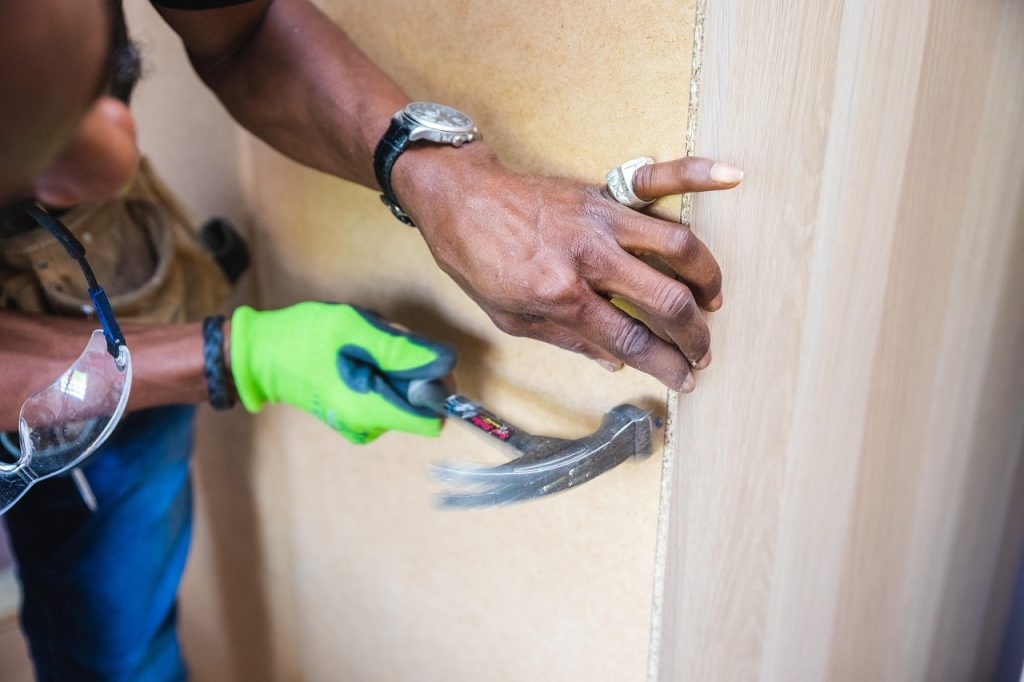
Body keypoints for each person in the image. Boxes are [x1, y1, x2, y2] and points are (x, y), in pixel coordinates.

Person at [0, 0, 743, 679]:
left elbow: (247, 33)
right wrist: (240, 356)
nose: (119, 161)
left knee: (123, 619)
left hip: (97, 272)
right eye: (29, 164)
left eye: (107, 82)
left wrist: (443, 179)